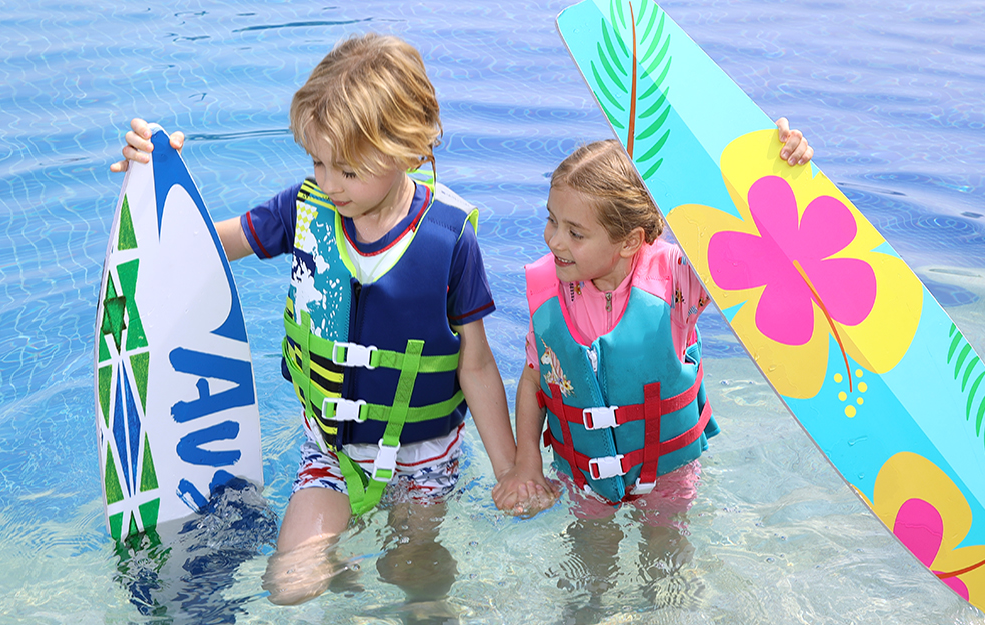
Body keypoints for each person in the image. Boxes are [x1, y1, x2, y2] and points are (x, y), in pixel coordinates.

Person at [112, 33, 544, 614]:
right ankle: (348, 582)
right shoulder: (306, 207)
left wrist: (511, 470)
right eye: (317, 161)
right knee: (288, 586)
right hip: (331, 453)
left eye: (348, 167)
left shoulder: (448, 240)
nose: (330, 180)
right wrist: (158, 176)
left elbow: (477, 364)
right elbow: (211, 246)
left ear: (406, 149)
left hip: (424, 460)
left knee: (414, 579)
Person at [492, 120, 812, 622]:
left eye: (575, 232)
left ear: (629, 241)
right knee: (586, 582)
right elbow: (534, 378)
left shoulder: (679, 278)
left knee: (666, 580)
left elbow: (754, 250)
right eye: (552, 220)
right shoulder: (550, 290)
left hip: (666, 477)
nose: (554, 240)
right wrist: (526, 461)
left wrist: (781, 168)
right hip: (586, 479)